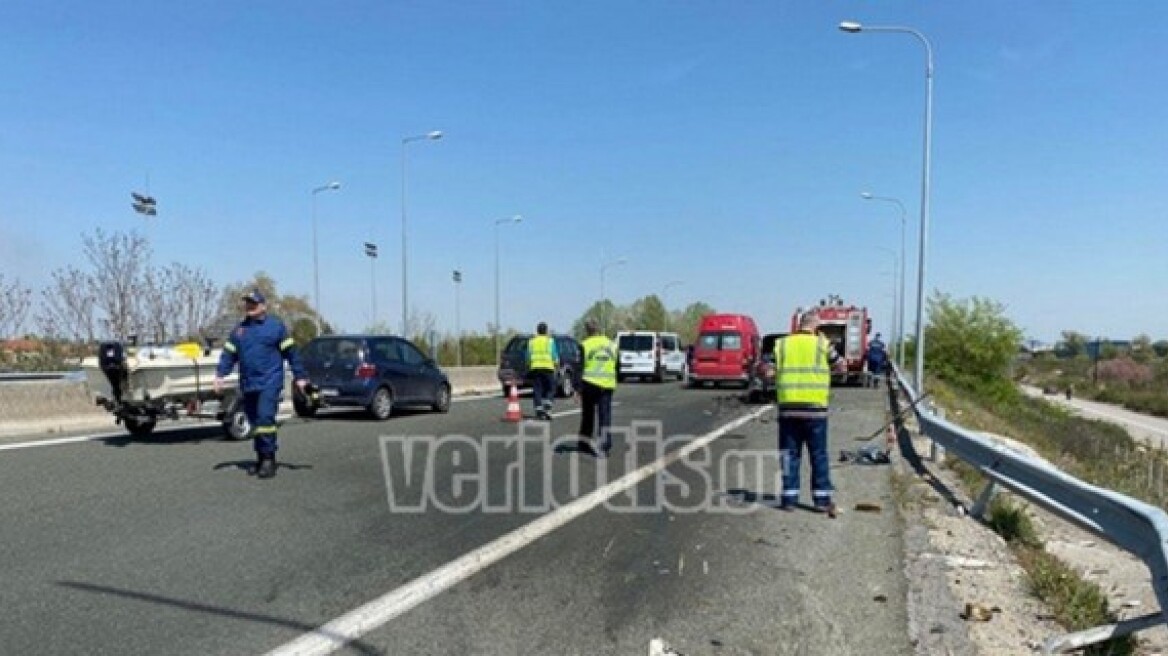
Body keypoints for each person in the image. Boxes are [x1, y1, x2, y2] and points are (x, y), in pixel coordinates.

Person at [214, 289, 307, 479]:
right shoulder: (239, 331)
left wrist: (300, 376)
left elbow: (292, 353)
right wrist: (220, 375)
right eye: (247, 303)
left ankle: (268, 459)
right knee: (256, 422)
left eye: (253, 303)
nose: (249, 306)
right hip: (248, 384)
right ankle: (260, 456)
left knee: (265, 420)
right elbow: (228, 354)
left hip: (269, 382)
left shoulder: (275, 327)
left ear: (263, 306)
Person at [774, 311, 846, 515]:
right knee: (818, 455)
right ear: (816, 326)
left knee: (789, 455)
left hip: (788, 409)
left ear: (799, 324)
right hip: (815, 410)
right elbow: (841, 366)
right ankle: (821, 501)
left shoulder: (782, 344)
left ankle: (788, 499)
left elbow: (767, 370)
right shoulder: (822, 344)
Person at [575, 319, 617, 458]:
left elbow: (579, 368)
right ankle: (604, 446)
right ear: (598, 329)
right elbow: (618, 364)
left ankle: (584, 442)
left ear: (587, 330)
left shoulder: (585, 345)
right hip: (607, 384)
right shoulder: (611, 344)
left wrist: (577, 389)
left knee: (588, 415)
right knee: (605, 416)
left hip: (590, 383)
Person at [527, 322, 559, 421]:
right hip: (548, 368)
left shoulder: (531, 342)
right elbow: (554, 356)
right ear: (546, 330)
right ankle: (548, 405)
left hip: (535, 368)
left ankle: (539, 410)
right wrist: (556, 365)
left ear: (537, 330)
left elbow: (528, 357)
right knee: (551, 388)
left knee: (537, 389)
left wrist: (529, 365)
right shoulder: (550, 341)